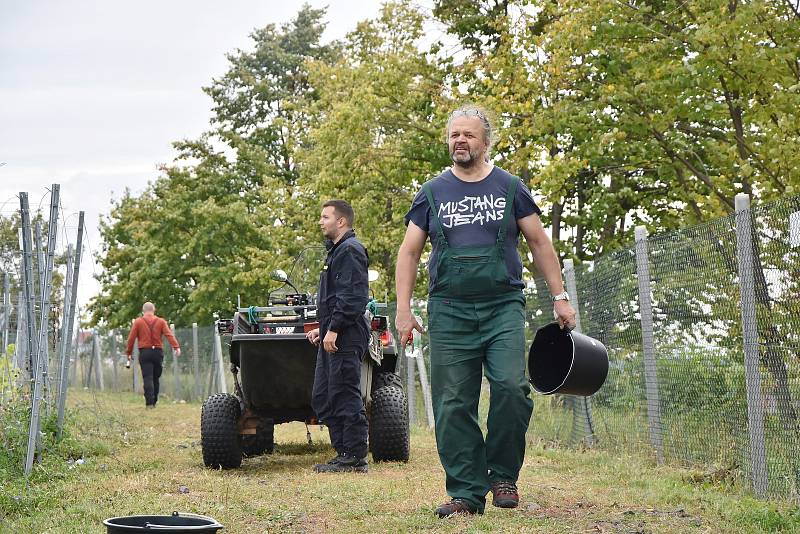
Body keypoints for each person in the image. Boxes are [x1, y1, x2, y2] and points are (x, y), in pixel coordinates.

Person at [395, 105, 577, 518]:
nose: (460, 141)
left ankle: (502, 475)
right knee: (452, 402)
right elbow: (408, 253)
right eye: (454, 134)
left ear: (486, 142)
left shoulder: (510, 187)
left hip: (502, 308)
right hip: (449, 311)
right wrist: (403, 311)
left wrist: (559, 295)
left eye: (469, 135)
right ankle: (465, 492)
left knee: (512, 389)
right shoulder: (432, 192)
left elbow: (539, 243)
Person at [306, 199, 371, 473]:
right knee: (324, 395)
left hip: (345, 334)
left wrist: (335, 328)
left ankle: (355, 456)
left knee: (345, 393)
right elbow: (336, 297)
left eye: (325, 217)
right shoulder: (336, 252)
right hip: (333, 331)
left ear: (341, 221)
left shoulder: (350, 250)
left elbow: (353, 297)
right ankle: (342, 452)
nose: (321, 222)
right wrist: (325, 327)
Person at [125, 302, 181, 408]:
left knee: (147, 377)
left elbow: (131, 339)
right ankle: (154, 401)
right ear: (154, 309)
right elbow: (169, 335)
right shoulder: (161, 321)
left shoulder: (138, 322)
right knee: (156, 377)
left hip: (145, 352)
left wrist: (128, 353)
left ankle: (149, 403)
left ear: (143, 310)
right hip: (157, 352)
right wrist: (176, 347)